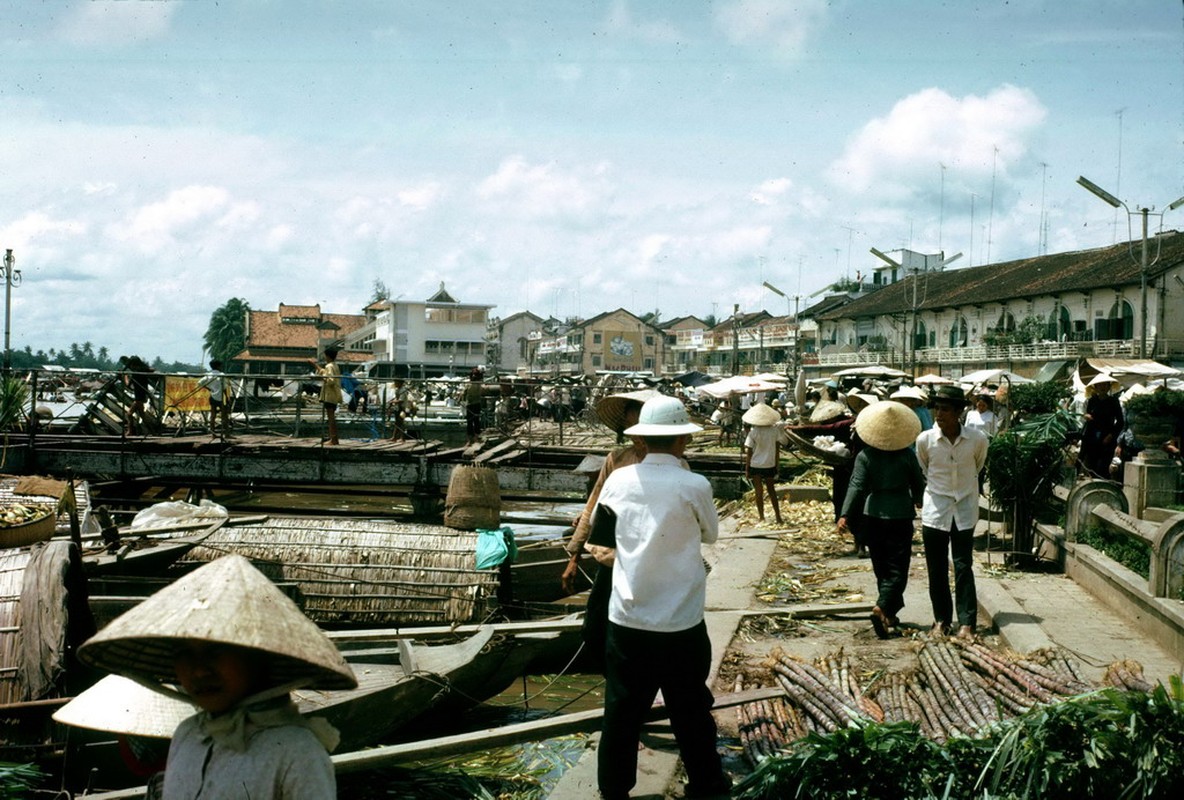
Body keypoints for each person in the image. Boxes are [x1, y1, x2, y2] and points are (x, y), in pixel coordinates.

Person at [77, 554, 357, 799]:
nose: (199, 671)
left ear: (259, 655)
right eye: (185, 653)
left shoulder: (297, 752)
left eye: (215, 651)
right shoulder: (188, 735)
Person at [592, 395, 729, 800]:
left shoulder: (619, 480)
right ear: (682, 439)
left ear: (643, 439)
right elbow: (711, 534)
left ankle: (614, 790)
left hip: (628, 617)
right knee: (690, 710)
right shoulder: (694, 484)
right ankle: (707, 785)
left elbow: (602, 535)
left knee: (621, 710)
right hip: (680, 621)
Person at [838, 401, 924, 639]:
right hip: (900, 514)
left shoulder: (865, 456)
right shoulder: (907, 455)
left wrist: (844, 514)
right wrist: (919, 499)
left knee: (882, 568)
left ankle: (889, 614)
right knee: (898, 569)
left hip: (872, 513)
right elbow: (918, 483)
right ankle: (882, 608)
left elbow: (856, 486)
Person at [561, 389, 658, 595]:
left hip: (654, 560)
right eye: (629, 426)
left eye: (639, 426)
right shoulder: (616, 460)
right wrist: (574, 558)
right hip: (614, 558)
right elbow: (592, 507)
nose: (635, 433)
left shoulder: (676, 465)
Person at [916, 385, 989, 640]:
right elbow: (924, 467)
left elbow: (978, 466)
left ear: (959, 412)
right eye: (937, 408)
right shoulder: (925, 440)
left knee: (963, 566)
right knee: (936, 569)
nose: (939, 414)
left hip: (965, 511)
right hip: (936, 511)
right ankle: (941, 620)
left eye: (945, 409)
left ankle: (967, 623)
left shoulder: (977, 440)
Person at [742, 402, 784, 524]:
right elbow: (777, 451)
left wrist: (747, 469)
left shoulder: (753, 432)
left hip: (756, 465)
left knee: (758, 492)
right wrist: (777, 465)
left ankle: (761, 517)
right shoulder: (775, 431)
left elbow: (749, 453)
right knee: (772, 491)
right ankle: (778, 517)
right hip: (769, 464)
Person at [1080, 373, 1124, 478]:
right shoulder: (1092, 401)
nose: (1103, 387)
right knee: (1090, 466)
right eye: (1100, 385)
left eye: (1105, 385)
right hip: (1091, 438)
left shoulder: (1113, 401)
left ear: (1109, 386)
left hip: (1106, 439)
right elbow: (1087, 414)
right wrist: (1086, 416)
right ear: (1096, 387)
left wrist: (1111, 435)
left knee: (1102, 468)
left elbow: (1120, 422)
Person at [309, 348, 343, 445]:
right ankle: (333, 438)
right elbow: (326, 373)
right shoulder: (334, 366)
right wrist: (315, 366)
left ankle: (333, 439)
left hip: (329, 395)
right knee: (331, 417)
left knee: (331, 418)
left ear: (327, 356)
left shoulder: (329, 366)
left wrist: (318, 377)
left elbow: (330, 380)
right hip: (334, 395)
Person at [118, 354, 155, 436]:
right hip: (142, 395)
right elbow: (151, 369)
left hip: (139, 397)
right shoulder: (142, 370)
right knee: (142, 416)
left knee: (129, 414)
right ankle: (153, 431)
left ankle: (130, 432)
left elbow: (128, 385)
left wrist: (125, 377)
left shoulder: (136, 373)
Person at [200, 359, 231, 437]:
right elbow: (224, 388)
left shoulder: (208, 375)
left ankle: (213, 434)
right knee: (224, 416)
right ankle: (226, 433)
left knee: (213, 416)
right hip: (220, 398)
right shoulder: (221, 374)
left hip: (212, 396)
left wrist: (209, 389)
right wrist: (227, 397)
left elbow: (200, 383)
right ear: (218, 366)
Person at [463, 368, 485, 445]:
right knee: (474, 421)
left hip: (473, 404)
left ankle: (473, 438)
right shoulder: (479, 384)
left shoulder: (471, 384)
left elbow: (464, 393)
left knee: (473, 421)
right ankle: (473, 438)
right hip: (474, 404)